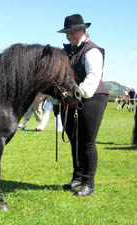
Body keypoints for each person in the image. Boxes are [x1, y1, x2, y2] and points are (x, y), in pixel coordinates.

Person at [57, 14, 109, 196]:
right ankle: (78, 177)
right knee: (74, 140)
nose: (69, 36)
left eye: (72, 32)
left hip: (93, 96)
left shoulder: (91, 50)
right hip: (72, 99)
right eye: (67, 32)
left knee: (87, 142)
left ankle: (88, 183)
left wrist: (79, 94)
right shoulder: (67, 52)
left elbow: (93, 76)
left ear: (82, 30)